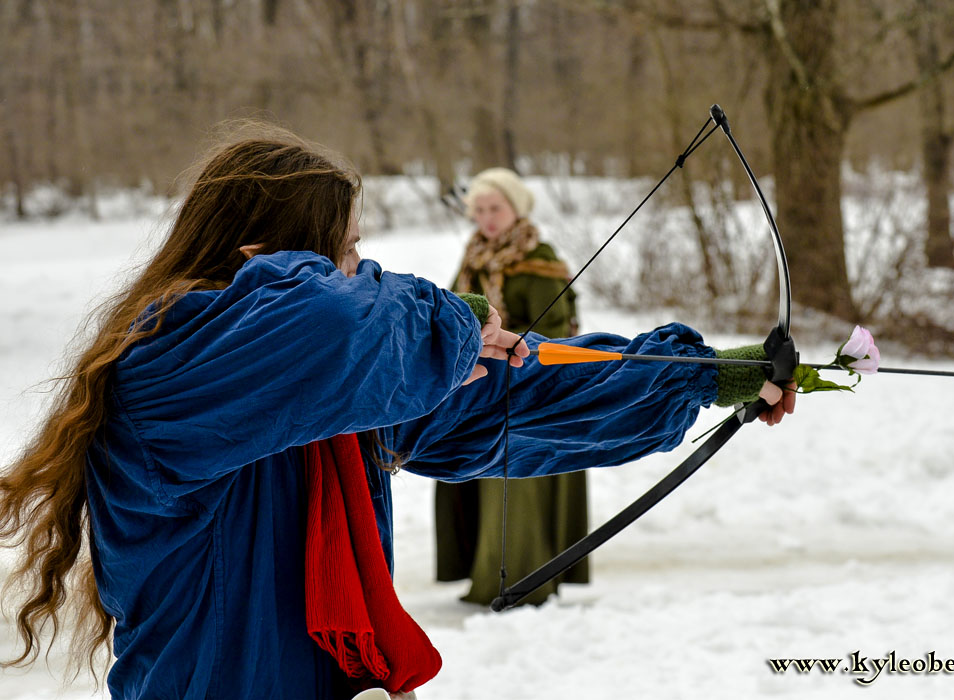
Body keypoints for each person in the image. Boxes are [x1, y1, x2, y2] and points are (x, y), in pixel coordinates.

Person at [0, 123, 794, 700]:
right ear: (256, 263)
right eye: (342, 253)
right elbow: (338, 325)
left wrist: (703, 376)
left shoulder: (336, 389)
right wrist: (450, 322)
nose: (360, 270)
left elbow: (511, 402)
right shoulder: (171, 363)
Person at [435, 167, 590, 606]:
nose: (487, 218)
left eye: (495, 208)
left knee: (514, 475)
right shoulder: (474, 257)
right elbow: (454, 309)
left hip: (528, 385)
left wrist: (502, 343)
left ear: (515, 209)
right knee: (468, 462)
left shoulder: (538, 259)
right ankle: (473, 566)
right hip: (478, 387)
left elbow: (555, 329)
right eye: (479, 209)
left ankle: (518, 580)